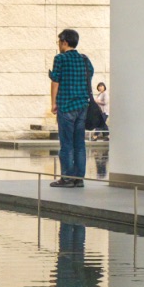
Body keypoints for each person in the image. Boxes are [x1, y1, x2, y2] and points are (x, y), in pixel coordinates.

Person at [49, 29, 94, 188]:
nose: (59, 45)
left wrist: (53, 103)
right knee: (79, 144)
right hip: (82, 106)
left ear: (65, 42)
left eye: (59, 42)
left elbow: (55, 82)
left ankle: (67, 178)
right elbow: (91, 74)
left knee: (66, 144)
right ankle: (79, 178)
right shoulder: (84, 59)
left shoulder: (60, 59)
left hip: (66, 105)